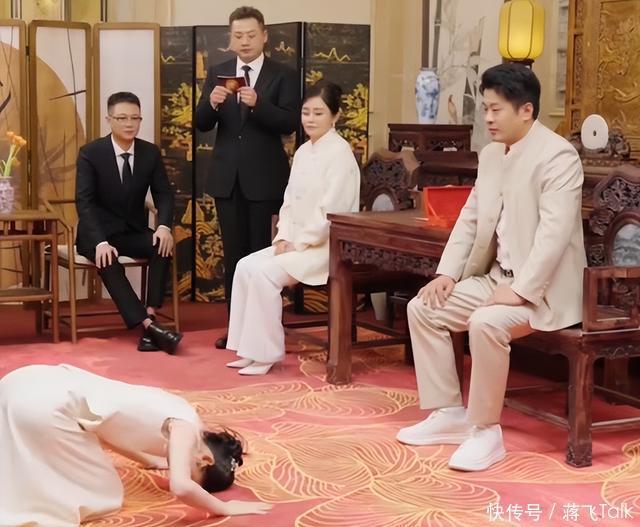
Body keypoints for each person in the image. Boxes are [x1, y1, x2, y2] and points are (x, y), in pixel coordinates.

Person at [396, 63, 586, 471]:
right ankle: (449, 413)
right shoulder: (492, 155)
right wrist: (448, 273)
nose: (488, 118)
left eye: (496, 109)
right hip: (498, 279)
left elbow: (553, 236)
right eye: (485, 108)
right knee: (424, 308)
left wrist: (520, 291)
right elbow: (470, 217)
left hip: (545, 290)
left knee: (486, 324)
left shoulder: (558, 156)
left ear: (526, 110)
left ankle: (485, 431)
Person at [0, 363, 272, 525]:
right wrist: (223, 508)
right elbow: (180, 486)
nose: (177, 468)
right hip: (44, 406)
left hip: (19, 382)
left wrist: (147, 460)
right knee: (103, 494)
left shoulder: (179, 408)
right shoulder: (187, 427)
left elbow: (107, 431)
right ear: (204, 459)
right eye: (194, 474)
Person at [224, 81, 360, 376]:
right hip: (295, 242)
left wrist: (300, 243)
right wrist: (283, 236)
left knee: (264, 274)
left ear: (335, 116)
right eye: (306, 112)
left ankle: (266, 354)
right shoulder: (303, 152)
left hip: (325, 247)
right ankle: (247, 349)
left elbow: (333, 212)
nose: (310, 119)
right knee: (245, 266)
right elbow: (288, 201)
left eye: (318, 113)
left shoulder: (340, 154)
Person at [195, 6, 300, 351]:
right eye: (238, 36)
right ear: (230, 38)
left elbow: (290, 123)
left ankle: (263, 331)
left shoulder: (282, 74)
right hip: (227, 179)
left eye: (251, 35)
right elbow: (201, 123)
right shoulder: (219, 72)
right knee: (234, 258)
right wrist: (211, 103)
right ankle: (236, 330)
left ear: (264, 36)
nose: (244, 41)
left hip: (264, 179)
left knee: (260, 258)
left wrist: (259, 105)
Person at [76, 92, 182, 354]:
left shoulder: (149, 152)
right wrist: (100, 242)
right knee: (107, 259)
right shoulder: (91, 153)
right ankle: (149, 326)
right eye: (122, 118)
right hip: (97, 235)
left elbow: (164, 194)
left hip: (131, 231)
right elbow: (84, 203)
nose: (129, 124)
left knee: (161, 245)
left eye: (135, 118)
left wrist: (164, 226)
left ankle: (150, 314)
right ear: (109, 120)